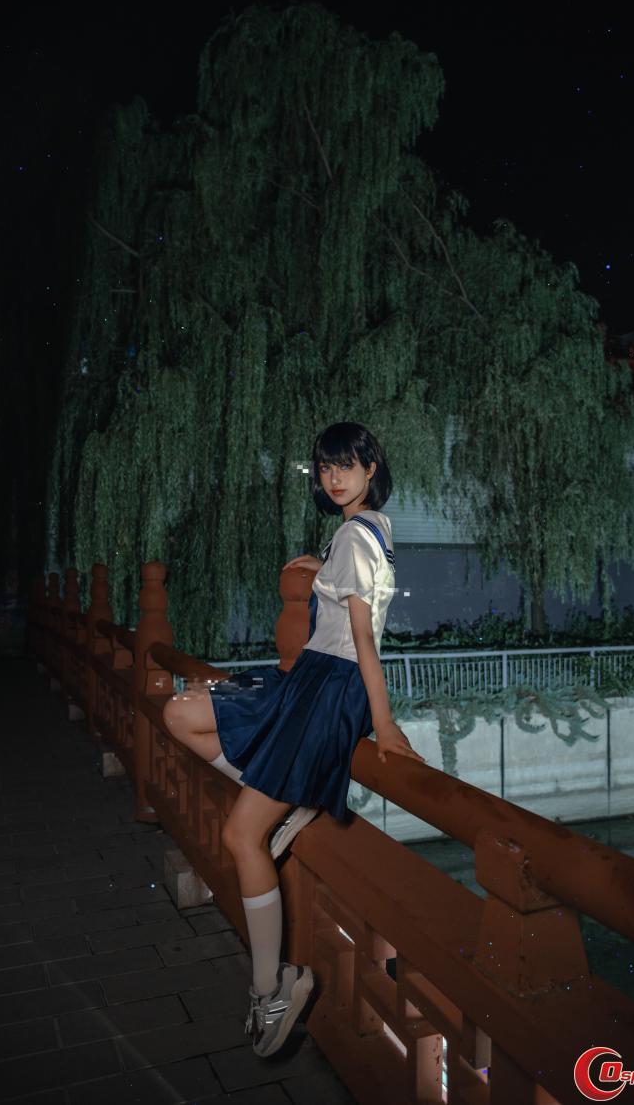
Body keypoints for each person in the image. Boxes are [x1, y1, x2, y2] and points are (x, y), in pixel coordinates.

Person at [162, 421, 424, 1058]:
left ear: (370, 468)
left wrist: (384, 723)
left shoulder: (355, 536)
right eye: (325, 468)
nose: (333, 478)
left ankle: (271, 992)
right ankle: (289, 795)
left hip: (328, 688)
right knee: (181, 713)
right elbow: (350, 600)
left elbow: (363, 639)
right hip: (312, 680)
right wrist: (317, 565)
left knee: (240, 836)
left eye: (346, 466)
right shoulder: (367, 531)